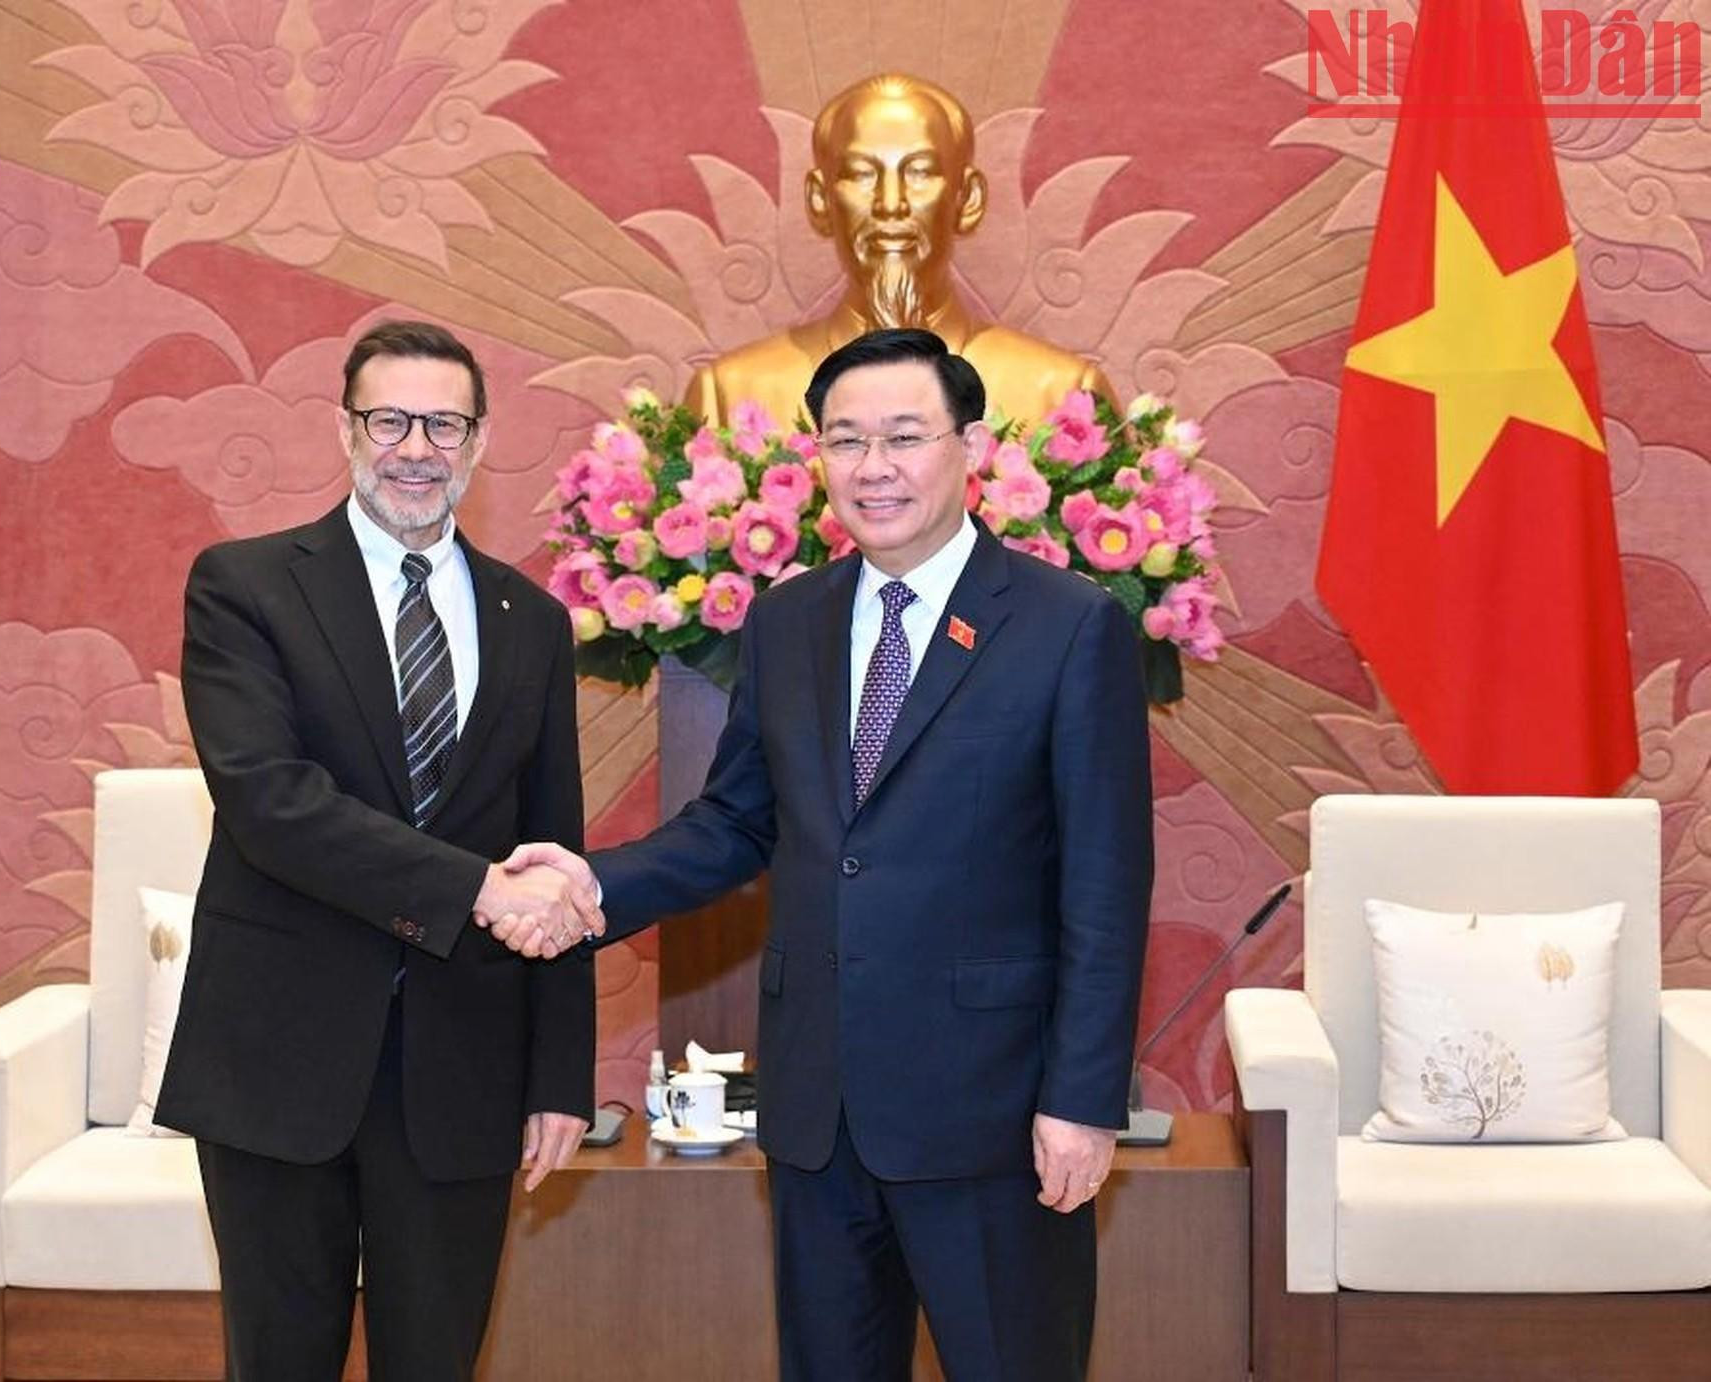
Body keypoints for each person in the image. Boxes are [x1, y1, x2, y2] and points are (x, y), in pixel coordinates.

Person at [495, 328, 1153, 1382]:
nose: (872, 466)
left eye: (903, 435)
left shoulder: (1068, 627)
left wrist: (1081, 1098)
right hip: (817, 1110)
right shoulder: (788, 620)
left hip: (990, 1113)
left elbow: (1106, 887)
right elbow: (737, 821)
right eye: (845, 440)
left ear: (969, 447)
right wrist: (592, 880)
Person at [157, 319, 603, 1381]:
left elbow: (554, 844)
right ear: (346, 430)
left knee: (438, 1362)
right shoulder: (247, 585)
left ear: (479, 439)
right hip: (279, 1055)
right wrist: (473, 889)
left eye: (442, 422)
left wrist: (561, 1075)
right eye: (390, 419)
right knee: (278, 1360)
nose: (416, 446)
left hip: (463, 1064)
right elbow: (271, 801)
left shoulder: (532, 620)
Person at [684, 72, 1111, 431]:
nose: (891, 205)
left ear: (968, 200)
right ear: (819, 200)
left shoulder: (1062, 396)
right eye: (861, 174)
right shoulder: (730, 397)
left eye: (921, 173)